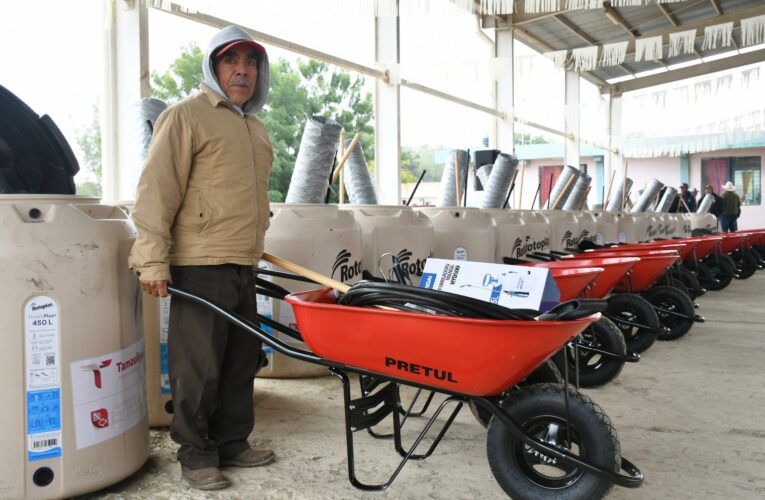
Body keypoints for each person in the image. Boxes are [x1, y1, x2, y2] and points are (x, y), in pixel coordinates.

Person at [128, 25, 274, 491]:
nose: (242, 71)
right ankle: (195, 453)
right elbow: (156, 192)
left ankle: (232, 442)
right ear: (213, 66)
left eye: (251, 62)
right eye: (232, 61)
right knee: (198, 366)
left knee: (240, 360)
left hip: (242, 260)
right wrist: (152, 260)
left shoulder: (255, 127)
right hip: (198, 262)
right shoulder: (185, 117)